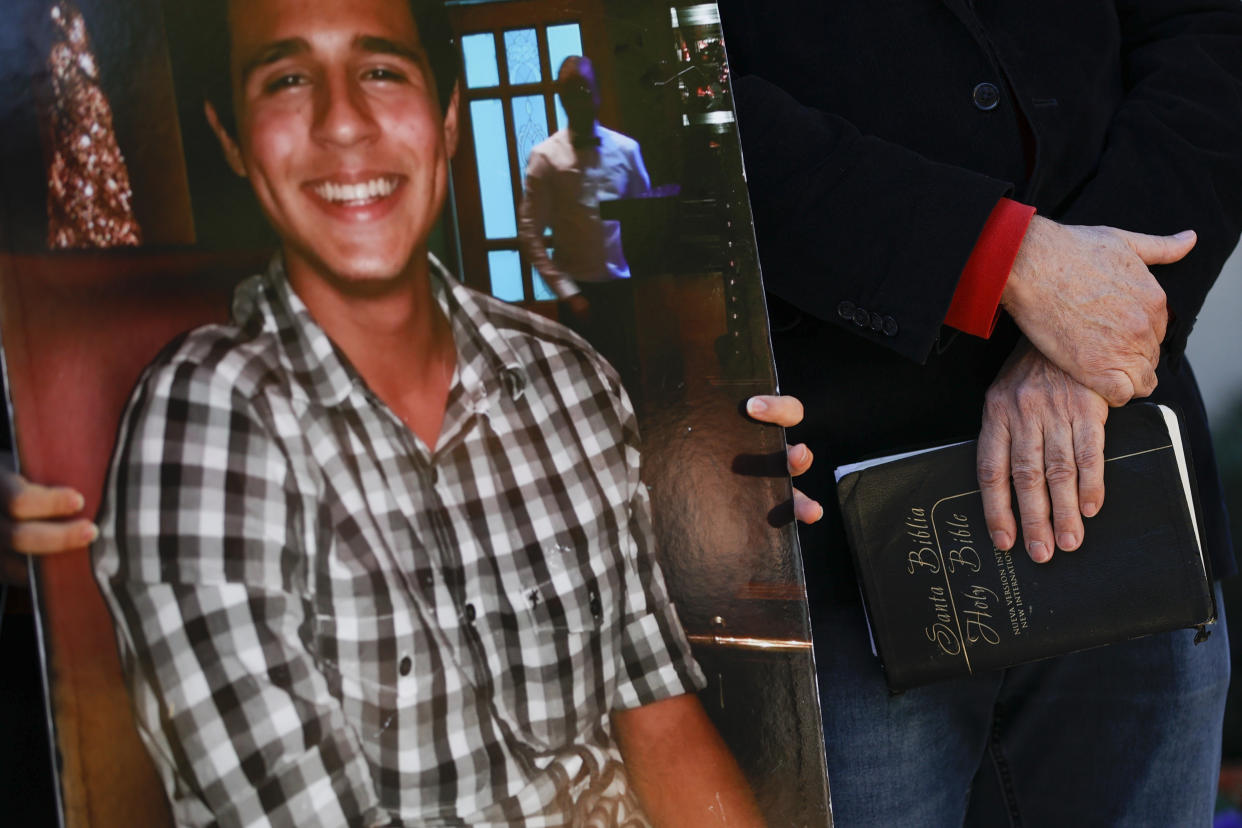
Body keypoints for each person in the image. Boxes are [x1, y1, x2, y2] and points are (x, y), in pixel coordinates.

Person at [86, 0, 813, 825]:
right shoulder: (205, 426)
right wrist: (572, 289)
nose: (344, 122)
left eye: (381, 71)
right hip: (585, 299)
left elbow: (661, 723)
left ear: (448, 118)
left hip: (617, 314)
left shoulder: (572, 384)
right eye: (288, 79)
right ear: (232, 141)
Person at [717, 0, 1242, 824]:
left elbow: (1210, 28)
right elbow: (651, 84)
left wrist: (1094, 325)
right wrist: (994, 259)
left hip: (1126, 476)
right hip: (824, 524)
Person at [517, 56, 648, 375]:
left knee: (629, 378)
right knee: (584, 386)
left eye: (584, 89)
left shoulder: (627, 150)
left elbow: (645, 215)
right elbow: (530, 232)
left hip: (622, 287)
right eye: (571, 91)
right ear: (562, 98)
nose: (579, 98)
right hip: (577, 294)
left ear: (598, 92)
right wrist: (567, 292)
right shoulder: (545, 158)